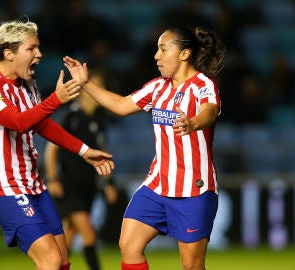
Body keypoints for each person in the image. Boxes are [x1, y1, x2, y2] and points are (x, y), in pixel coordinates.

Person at [64, 26, 226, 270]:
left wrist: (192, 122)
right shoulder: (157, 87)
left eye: (163, 49)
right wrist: (85, 83)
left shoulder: (203, 85)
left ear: (184, 54)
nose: (156, 56)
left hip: (193, 188)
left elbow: (209, 112)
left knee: (191, 265)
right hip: (157, 184)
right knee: (129, 246)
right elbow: (120, 105)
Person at [0, 18, 114, 270]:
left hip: (34, 184)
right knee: (49, 259)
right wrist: (55, 100)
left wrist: (83, 150)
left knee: (61, 260)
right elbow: (17, 122)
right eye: (31, 48)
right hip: (4, 185)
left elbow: (42, 124)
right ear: (9, 53)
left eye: (38, 47)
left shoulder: (29, 85)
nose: (39, 54)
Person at [44, 70, 118, 270]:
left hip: (88, 187)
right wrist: (52, 179)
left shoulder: (100, 120)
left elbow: (103, 153)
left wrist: (108, 183)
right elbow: (51, 149)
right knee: (89, 235)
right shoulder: (71, 116)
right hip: (69, 186)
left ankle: (54, 266)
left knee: (67, 238)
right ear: (84, 90)